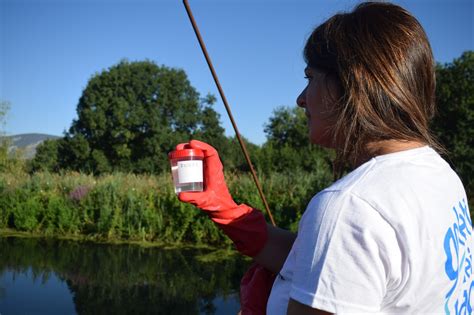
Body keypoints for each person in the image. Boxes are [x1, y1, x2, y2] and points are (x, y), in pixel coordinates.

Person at [176, 2, 473, 314]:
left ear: (352, 84)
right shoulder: (438, 173)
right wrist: (225, 208)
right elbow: (334, 263)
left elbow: (347, 237)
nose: (301, 99)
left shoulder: (352, 205)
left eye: (310, 77)